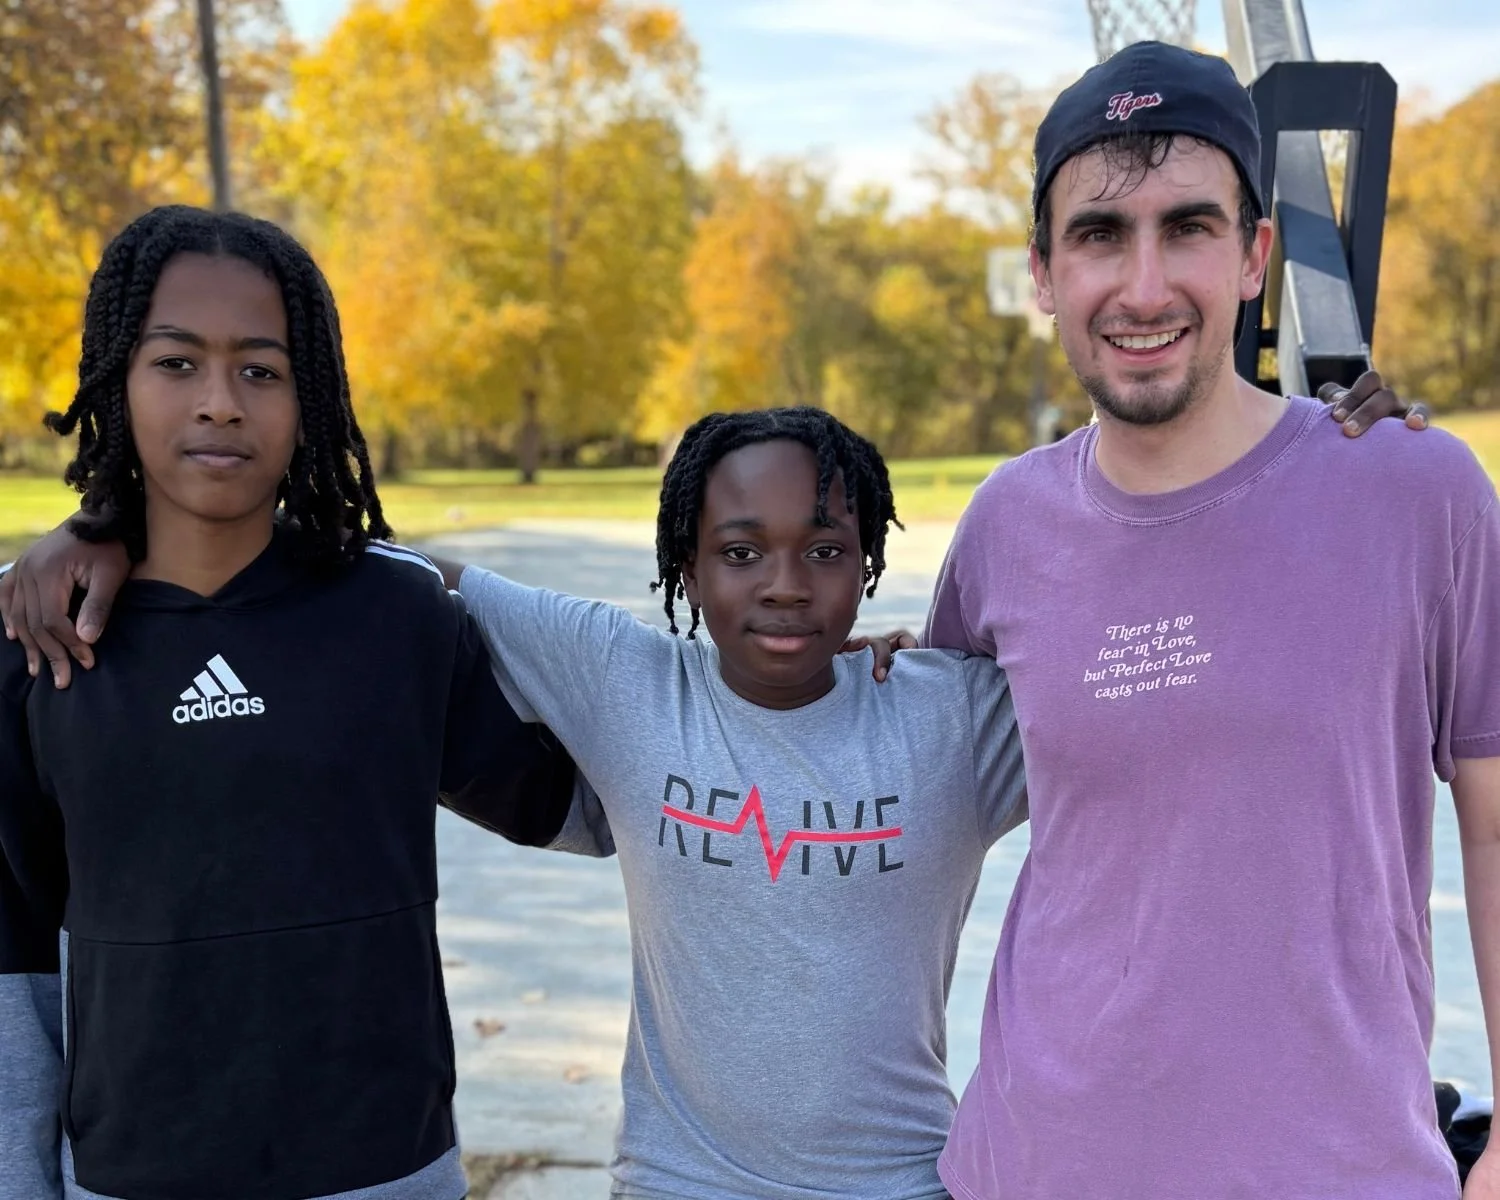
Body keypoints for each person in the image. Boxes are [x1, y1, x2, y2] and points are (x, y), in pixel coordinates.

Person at [920, 41, 1500, 1200]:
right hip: (1036, 1168)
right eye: (1099, 235)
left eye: (1187, 227)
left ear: (1254, 256)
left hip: (1341, 1171)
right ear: (1043, 274)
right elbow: (902, 810)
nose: (1144, 289)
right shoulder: (1006, 524)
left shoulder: (1415, 492)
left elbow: (1492, 828)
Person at [0, 206, 585, 1200]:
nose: (221, 403)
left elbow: (582, 801)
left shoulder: (397, 616)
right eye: (175, 362)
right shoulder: (39, 640)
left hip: (385, 1169)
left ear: (310, 393)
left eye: (262, 371)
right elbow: (15, 959)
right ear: (115, 381)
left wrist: (795, 687)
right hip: (135, 1173)